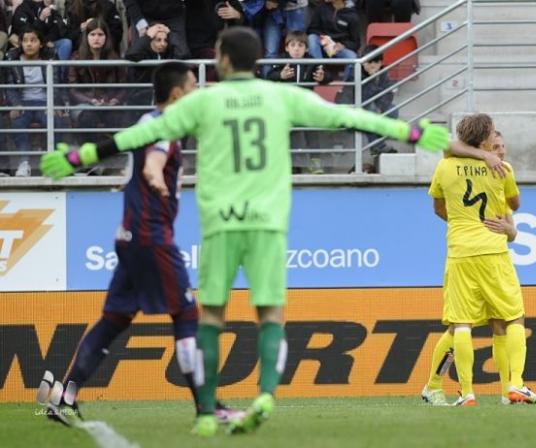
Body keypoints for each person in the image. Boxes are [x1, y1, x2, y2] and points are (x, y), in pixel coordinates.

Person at [40, 26, 450, 436]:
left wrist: (83, 154)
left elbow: (142, 136)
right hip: (253, 223)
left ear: (221, 58)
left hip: (206, 224)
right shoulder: (279, 95)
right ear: (257, 59)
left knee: (190, 316)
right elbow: (347, 116)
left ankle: (122, 400)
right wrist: (409, 132)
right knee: (249, 312)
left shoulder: (203, 103)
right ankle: (245, 398)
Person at [40, 61, 243, 426]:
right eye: (194, 85)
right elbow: (154, 161)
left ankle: (63, 397)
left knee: (113, 319)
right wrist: (155, 178)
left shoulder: (146, 122)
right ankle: (208, 407)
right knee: (186, 315)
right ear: (178, 94)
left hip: (130, 236)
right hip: (151, 236)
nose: (199, 92)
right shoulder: (165, 126)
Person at [426, 114, 536, 406]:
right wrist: (506, 227)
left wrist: (463, 223)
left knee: (462, 325)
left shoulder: (444, 165)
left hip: (460, 251)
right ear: (484, 140)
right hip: (493, 253)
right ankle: (513, 385)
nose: (499, 146)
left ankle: (469, 392)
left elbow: (439, 208)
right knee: (511, 318)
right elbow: (514, 203)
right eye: (494, 138)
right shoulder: (502, 169)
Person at [267, 30, 331, 173]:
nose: (296, 49)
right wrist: (280, 75)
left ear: (306, 48)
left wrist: (323, 77)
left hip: (305, 107)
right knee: (283, 134)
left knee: (311, 132)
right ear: (286, 48)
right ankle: (286, 164)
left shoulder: (312, 61)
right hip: (285, 107)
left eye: (300, 46)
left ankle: (316, 162)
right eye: (293, 45)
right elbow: (269, 76)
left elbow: (327, 75)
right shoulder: (281, 61)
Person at [5, 26, 64, 177]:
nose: (29, 44)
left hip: (45, 102)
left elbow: (57, 84)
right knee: (17, 123)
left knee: (56, 121)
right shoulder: (12, 59)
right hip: (23, 103)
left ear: (41, 44)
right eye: (25, 41)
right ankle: (24, 163)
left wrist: (54, 104)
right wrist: (16, 105)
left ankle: (53, 163)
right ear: (20, 44)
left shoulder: (50, 58)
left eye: (33, 40)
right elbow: (10, 87)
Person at [68, 18, 127, 144]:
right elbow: (72, 89)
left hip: (110, 103)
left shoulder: (115, 58)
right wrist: (91, 101)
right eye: (92, 34)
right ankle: (88, 156)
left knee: (119, 117)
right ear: (86, 36)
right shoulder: (76, 57)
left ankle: (114, 156)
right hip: (84, 104)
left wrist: (115, 100)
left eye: (100, 34)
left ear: (106, 37)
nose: (96, 38)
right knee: (88, 118)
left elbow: (124, 86)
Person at [338, 44, 399, 157]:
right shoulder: (355, 72)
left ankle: (377, 143)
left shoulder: (383, 73)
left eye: (376, 62)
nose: (373, 66)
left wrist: (381, 108)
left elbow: (388, 94)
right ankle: (378, 146)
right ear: (363, 62)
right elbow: (362, 97)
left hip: (373, 107)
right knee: (371, 111)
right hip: (353, 107)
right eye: (369, 62)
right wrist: (372, 80)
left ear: (381, 63)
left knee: (393, 110)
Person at [307, 0, 360, 80]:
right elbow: (312, 29)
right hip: (322, 44)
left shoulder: (353, 16)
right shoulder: (321, 8)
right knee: (312, 38)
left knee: (353, 57)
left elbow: (356, 43)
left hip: (339, 48)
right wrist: (323, 37)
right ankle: (319, 72)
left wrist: (343, 45)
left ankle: (345, 88)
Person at [124, 0, 190, 59]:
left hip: (174, 14)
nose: (163, 44)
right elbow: (132, 55)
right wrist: (147, 36)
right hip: (142, 13)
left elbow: (183, 55)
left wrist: (170, 34)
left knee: (180, 52)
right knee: (137, 55)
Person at [262, 0, 307, 78]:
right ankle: (266, 87)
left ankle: (298, 87)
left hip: (295, 7)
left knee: (298, 51)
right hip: (272, 10)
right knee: (270, 53)